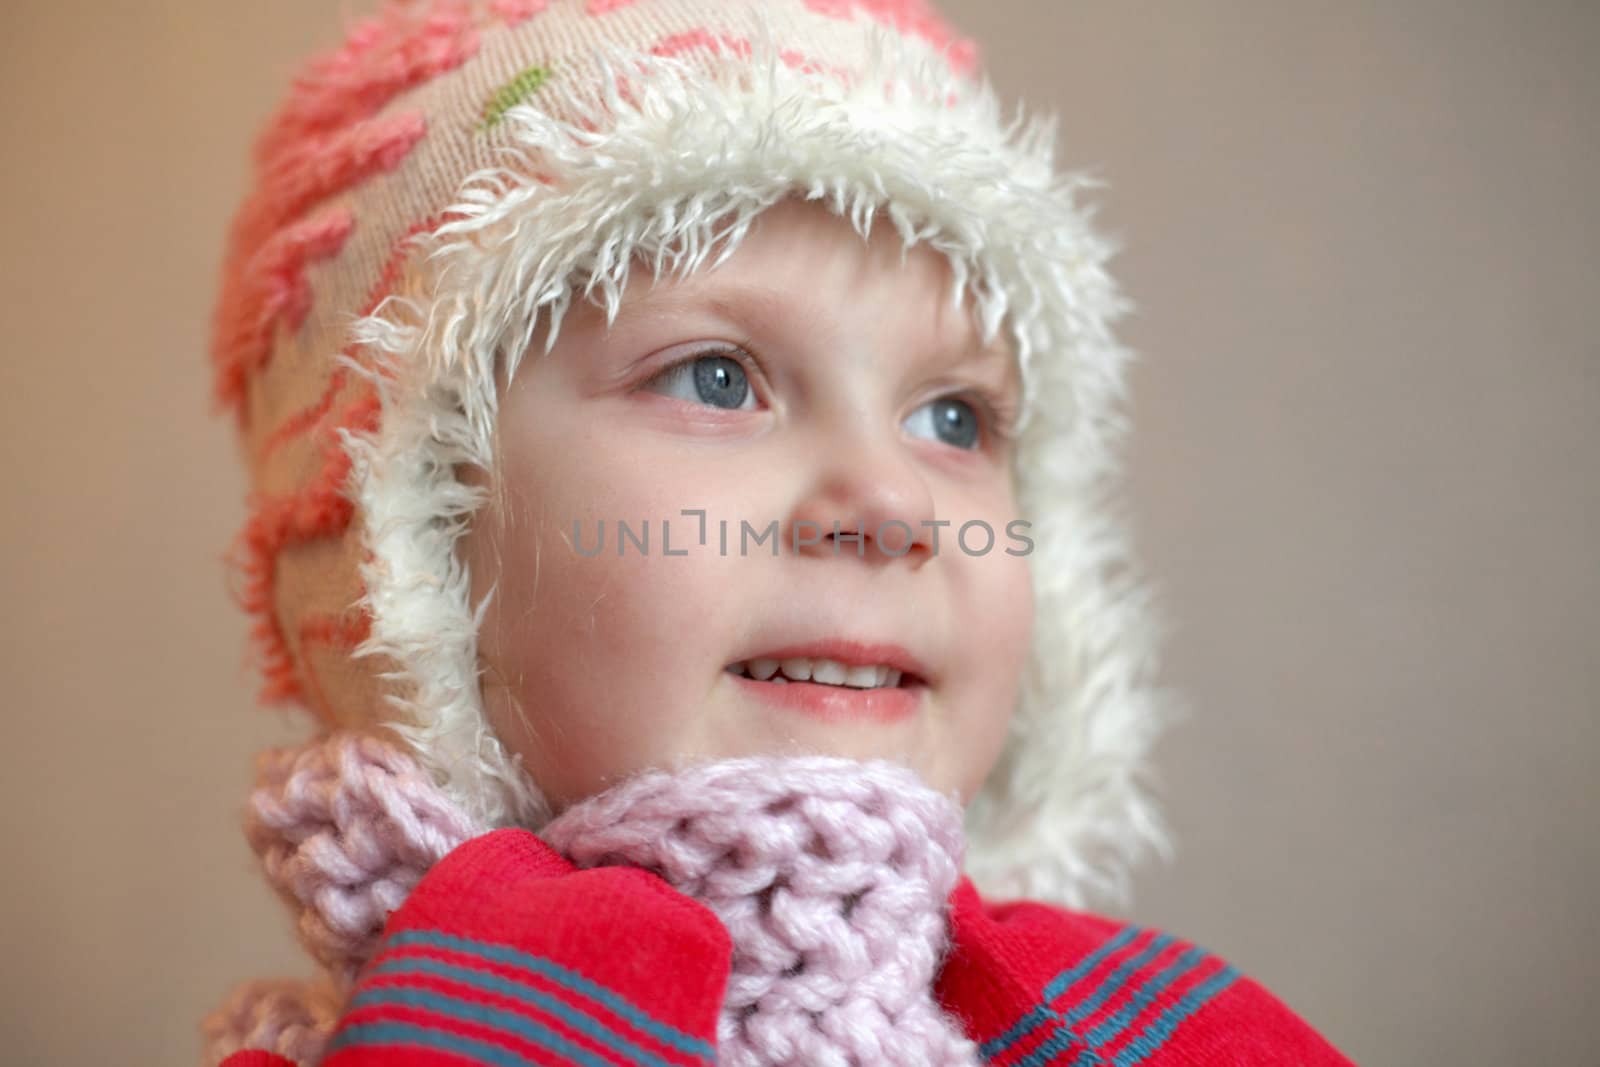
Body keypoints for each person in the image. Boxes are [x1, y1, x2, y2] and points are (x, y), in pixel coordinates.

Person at [201, 1, 1357, 1064]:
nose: (894, 504)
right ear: (401, 540)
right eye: (714, 377)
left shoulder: (1135, 1023)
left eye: (954, 416)